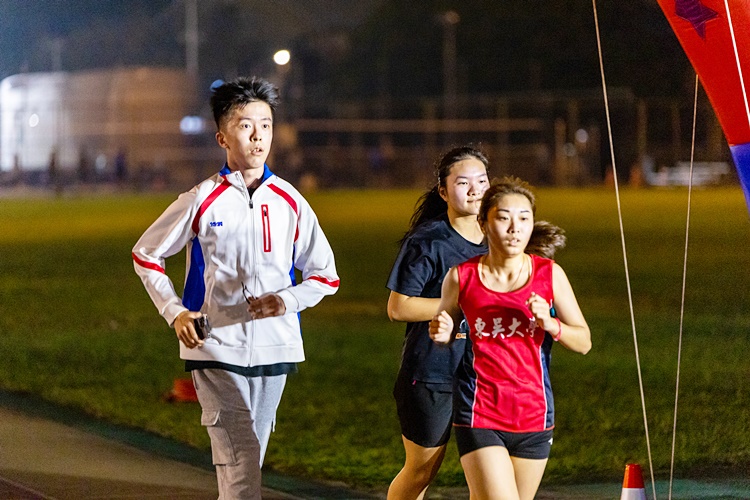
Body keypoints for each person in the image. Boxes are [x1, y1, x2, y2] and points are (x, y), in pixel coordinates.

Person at [132, 76, 339, 499]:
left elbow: (325, 275)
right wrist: (175, 312)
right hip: (214, 345)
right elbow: (146, 255)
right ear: (222, 137)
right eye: (246, 125)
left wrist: (286, 300)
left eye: (266, 124)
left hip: (276, 348)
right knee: (242, 454)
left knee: (247, 458)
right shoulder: (200, 199)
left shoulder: (292, 201)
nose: (259, 135)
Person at [429, 177, 591, 500]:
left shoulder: (550, 275)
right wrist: (444, 333)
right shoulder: (461, 277)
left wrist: (550, 323)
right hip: (480, 412)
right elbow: (447, 328)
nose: (515, 228)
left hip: (534, 415)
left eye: (524, 218)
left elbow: (584, 341)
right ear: (484, 223)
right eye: (504, 218)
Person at [386, 145, 490, 500]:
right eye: (463, 182)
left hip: (485, 376)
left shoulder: (500, 238)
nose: (475, 189)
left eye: (482, 180)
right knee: (421, 471)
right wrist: (458, 304)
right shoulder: (428, 241)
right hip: (432, 374)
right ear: (444, 191)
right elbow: (399, 307)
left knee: (489, 474)